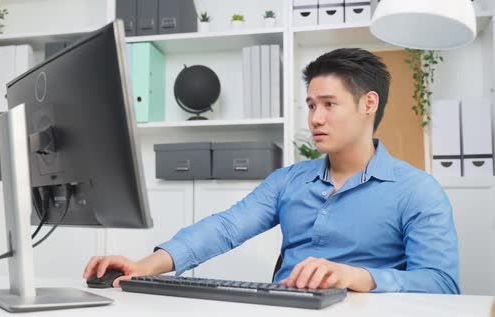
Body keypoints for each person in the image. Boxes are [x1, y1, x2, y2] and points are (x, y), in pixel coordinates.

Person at [83, 48, 460, 294]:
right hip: (286, 316)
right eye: (311, 105)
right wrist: (144, 266)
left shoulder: (417, 190)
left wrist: (359, 277)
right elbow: (226, 227)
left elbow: (442, 283)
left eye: (329, 104)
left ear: (368, 104)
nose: (315, 118)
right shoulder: (289, 180)